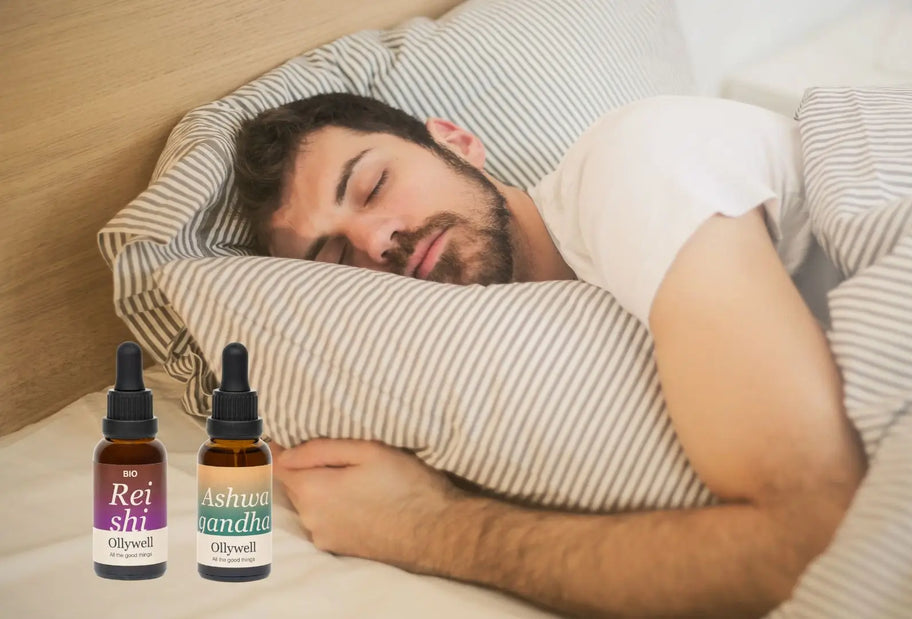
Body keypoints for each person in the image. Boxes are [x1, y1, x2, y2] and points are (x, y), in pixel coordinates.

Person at [232, 92, 866, 618]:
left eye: (372, 185)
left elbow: (817, 542)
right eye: (337, 259)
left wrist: (422, 527)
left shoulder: (633, 166)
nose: (376, 240)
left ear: (455, 142)